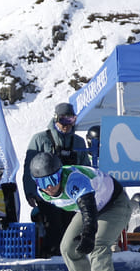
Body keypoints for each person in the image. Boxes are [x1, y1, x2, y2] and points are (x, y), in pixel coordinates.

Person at [29, 151, 130, 271]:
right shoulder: (43, 193)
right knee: (67, 247)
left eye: (53, 179)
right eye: (43, 182)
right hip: (94, 206)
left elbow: (88, 208)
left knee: (98, 245)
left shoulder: (74, 180)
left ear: (60, 174)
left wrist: (88, 234)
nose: (49, 186)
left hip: (114, 204)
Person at [23, 102, 90, 258]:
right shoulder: (40, 139)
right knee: (53, 225)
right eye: (63, 120)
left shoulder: (78, 142)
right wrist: (30, 191)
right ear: (55, 119)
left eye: (71, 120)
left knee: (71, 227)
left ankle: (71, 257)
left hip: (71, 194)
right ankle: (52, 256)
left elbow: (86, 168)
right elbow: (29, 168)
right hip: (47, 193)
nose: (67, 125)